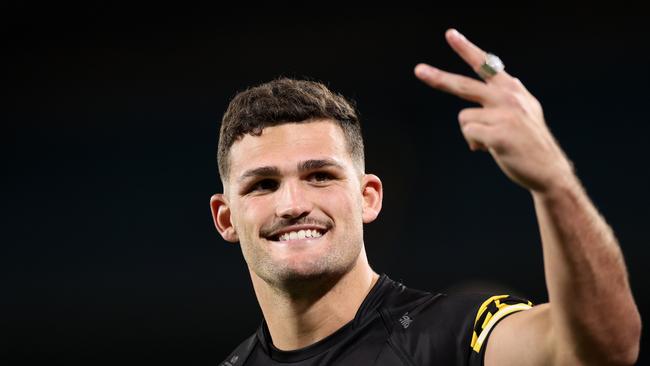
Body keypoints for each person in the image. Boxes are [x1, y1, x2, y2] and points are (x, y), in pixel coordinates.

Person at [210, 29, 641, 366]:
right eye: (263, 185)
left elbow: (604, 350)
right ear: (225, 218)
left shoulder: (451, 334)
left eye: (320, 176)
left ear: (369, 197)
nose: (292, 204)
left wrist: (555, 183)